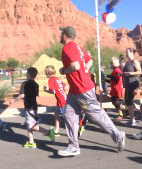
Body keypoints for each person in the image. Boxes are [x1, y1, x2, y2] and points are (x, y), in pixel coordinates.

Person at [57, 26, 125, 156]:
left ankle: (118, 135)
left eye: (61, 33)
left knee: (96, 115)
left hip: (82, 89)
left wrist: (64, 71)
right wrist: (85, 72)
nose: (60, 35)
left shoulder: (68, 47)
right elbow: (89, 61)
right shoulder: (77, 47)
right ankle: (73, 147)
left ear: (65, 35)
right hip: (75, 90)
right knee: (69, 115)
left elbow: (75, 66)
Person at [9, 67, 55, 148]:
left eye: (27, 73)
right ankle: (31, 142)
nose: (26, 74)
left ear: (29, 74)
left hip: (29, 107)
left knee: (31, 125)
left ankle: (49, 132)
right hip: (33, 106)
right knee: (28, 124)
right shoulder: (36, 85)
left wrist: (14, 100)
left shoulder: (25, 83)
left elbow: (22, 95)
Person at [43, 65, 67, 136]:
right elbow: (66, 86)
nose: (45, 74)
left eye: (45, 72)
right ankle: (56, 130)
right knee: (56, 114)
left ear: (49, 72)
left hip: (62, 101)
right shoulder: (57, 79)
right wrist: (60, 91)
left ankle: (76, 128)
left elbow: (53, 91)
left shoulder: (51, 80)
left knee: (65, 117)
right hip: (62, 99)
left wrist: (45, 90)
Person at [121, 47, 142, 126]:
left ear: (132, 53)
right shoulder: (127, 62)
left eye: (128, 52)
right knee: (127, 101)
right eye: (126, 52)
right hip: (127, 83)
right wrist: (122, 74)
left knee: (129, 102)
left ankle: (132, 120)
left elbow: (139, 72)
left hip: (133, 83)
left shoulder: (134, 61)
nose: (126, 54)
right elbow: (126, 72)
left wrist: (130, 74)